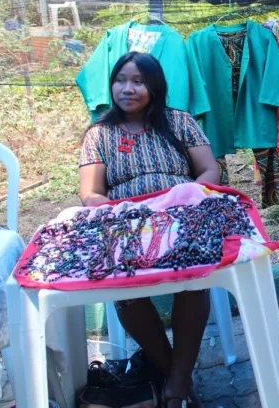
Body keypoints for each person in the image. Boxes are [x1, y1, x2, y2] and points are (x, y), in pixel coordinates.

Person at [79, 51, 220, 407]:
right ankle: (178, 377)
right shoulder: (99, 134)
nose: (127, 88)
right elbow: (91, 193)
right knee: (124, 291)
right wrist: (121, 213)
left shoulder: (180, 121)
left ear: (154, 86)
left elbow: (209, 171)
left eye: (138, 81)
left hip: (180, 216)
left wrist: (185, 199)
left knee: (193, 281)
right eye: (120, 80)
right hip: (128, 224)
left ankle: (175, 383)